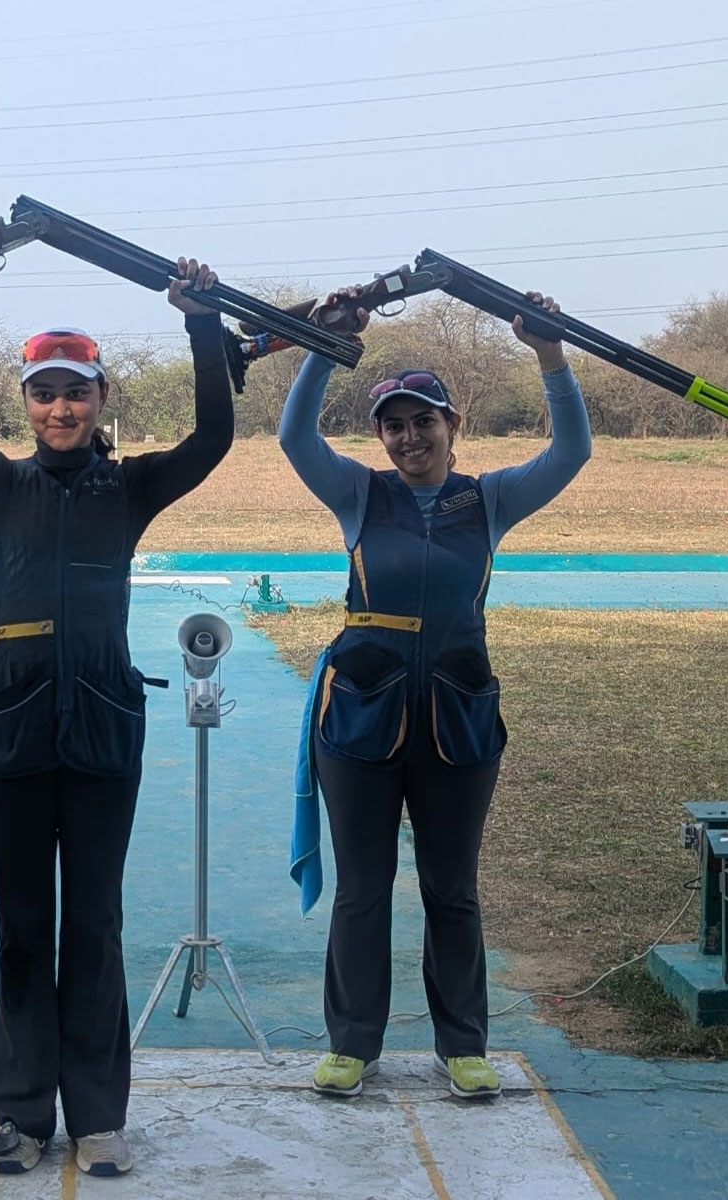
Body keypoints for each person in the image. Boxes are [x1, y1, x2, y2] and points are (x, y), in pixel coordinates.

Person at [0, 246, 234, 1177]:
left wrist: (201, 320)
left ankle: (97, 1117)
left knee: (95, 927)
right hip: (10, 737)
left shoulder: (129, 488)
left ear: (101, 398)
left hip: (101, 741)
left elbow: (211, 440)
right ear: (26, 402)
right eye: (44, 394)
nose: (59, 409)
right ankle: (19, 1113)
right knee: (25, 931)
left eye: (75, 393)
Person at [280, 286, 591, 1101]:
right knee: (362, 888)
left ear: (454, 425)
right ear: (379, 435)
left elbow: (571, 451)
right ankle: (353, 1044)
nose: (409, 436)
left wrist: (550, 354)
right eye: (394, 423)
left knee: (453, 888)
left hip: (458, 716)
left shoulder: (489, 500)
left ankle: (464, 1046)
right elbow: (292, 434)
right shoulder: (358, 494)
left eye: (424, 420)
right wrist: (327, 345)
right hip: (360, 718)